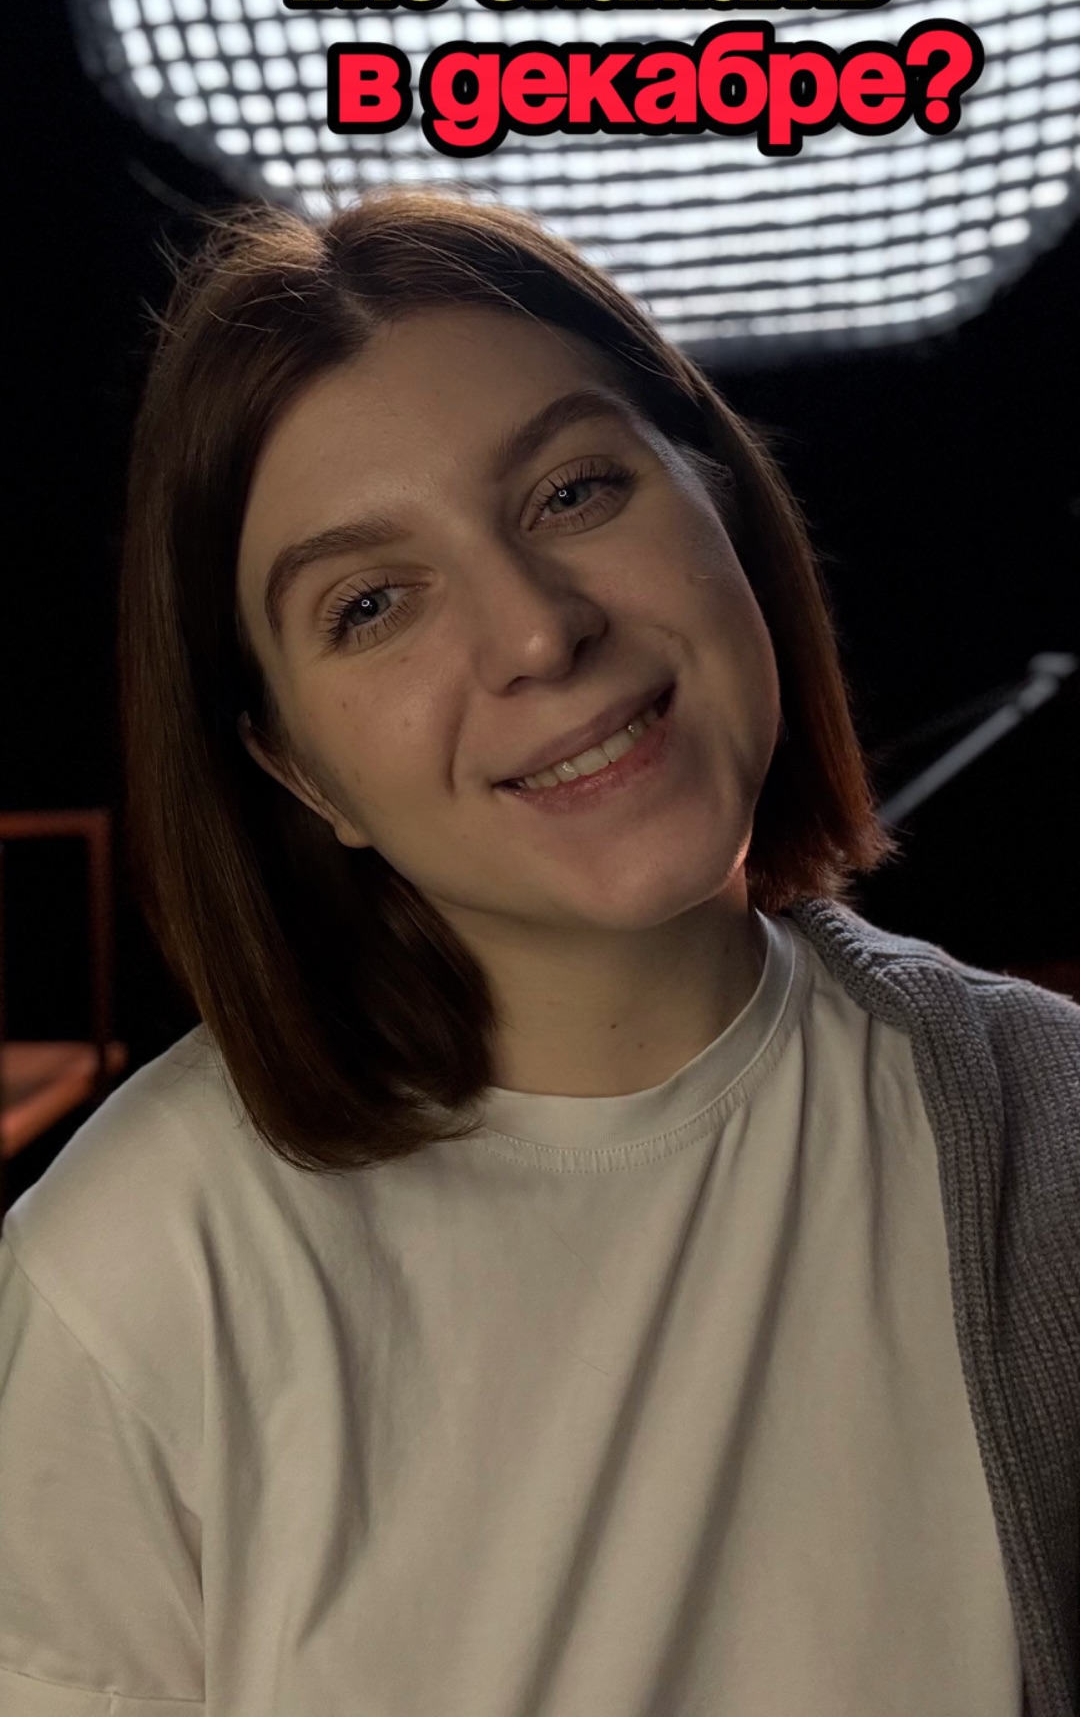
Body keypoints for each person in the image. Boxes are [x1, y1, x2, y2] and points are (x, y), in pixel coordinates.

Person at [0, 188, 1076, 1717]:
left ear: (723, 507)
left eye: (574, 491)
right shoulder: (137, 1272)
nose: (533, 632)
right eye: (371, 604)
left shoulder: (1047, 1128)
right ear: (296, 770)